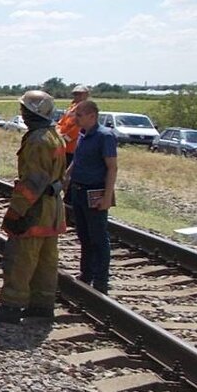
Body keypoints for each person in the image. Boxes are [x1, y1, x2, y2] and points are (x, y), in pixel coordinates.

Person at [0, 89, 67, 323]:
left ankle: (11, 307)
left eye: (24, 110)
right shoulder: (55, 135)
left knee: (21, 258)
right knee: (46, 261)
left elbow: (32, 183)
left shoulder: (37, 140)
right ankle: (42, 306)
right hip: (52, 210)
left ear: (33, 113)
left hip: (35, 210)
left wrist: (16, 212)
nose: (21, 114)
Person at [65, 99, 117, 293]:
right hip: (78, 190)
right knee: (84, 235)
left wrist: (107, 195)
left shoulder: (105, 136)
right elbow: (77, 160)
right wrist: (67, 176)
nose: (75, 118)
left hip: (94, 191)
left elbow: (112, 167)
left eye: (79, 115)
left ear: (92, 116)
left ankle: (101, 280)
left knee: (98, 237)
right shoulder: (82, 134)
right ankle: (86, 274)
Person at [56, 84, 90, 168]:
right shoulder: (71, 108)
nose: (77, 96)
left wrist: (66, 139)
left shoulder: (86, 109)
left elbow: (78, 128)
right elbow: (61, 122)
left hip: (72, 147)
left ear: (86, 95)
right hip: (62, 143)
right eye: (75, 94)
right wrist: (57, 132)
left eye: (80, 94)